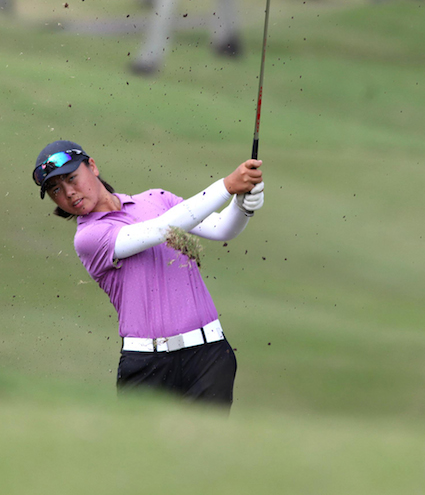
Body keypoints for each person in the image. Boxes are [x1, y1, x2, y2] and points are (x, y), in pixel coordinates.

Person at [32, 139, 264, 409]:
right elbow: (159, 230)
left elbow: (222, 229)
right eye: (56, 190)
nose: (68, 193)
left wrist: (242, 205)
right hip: (147, 367)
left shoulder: (156, 199)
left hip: (209, 355)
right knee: (143, 452)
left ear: (92, 166)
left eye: (72, 178)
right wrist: (226, 186)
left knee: (205, 448)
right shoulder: (88, 238)